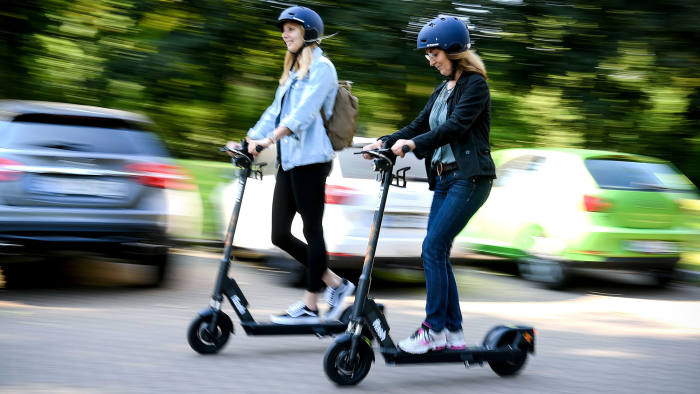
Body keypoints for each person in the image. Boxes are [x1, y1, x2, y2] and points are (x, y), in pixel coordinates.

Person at [362, 16, 495, 353]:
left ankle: (433, 329)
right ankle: (452, 332)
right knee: (437, 251)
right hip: (445, 178)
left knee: (432, 249)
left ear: (453, 49)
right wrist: (385, 140)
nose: (431, 60)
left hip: (470, 177)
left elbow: (454, 127)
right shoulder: (442, 88)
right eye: (428, 54)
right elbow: (420, 123)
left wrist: (412, 145)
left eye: (434, 53)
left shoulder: (475, 85)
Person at [226, 6, 354, 325]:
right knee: (279, 234)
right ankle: (336, 284)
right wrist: (247, 141)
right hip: (289, 160)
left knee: (312, 230)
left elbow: (304, 115)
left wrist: (268, 141)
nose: (285, 34)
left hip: (312, 161)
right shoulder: (293, 72)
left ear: (308, 32)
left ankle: (311, 305)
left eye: (291, 29)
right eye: (283, 29)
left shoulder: (322, 68)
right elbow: (274, 112)